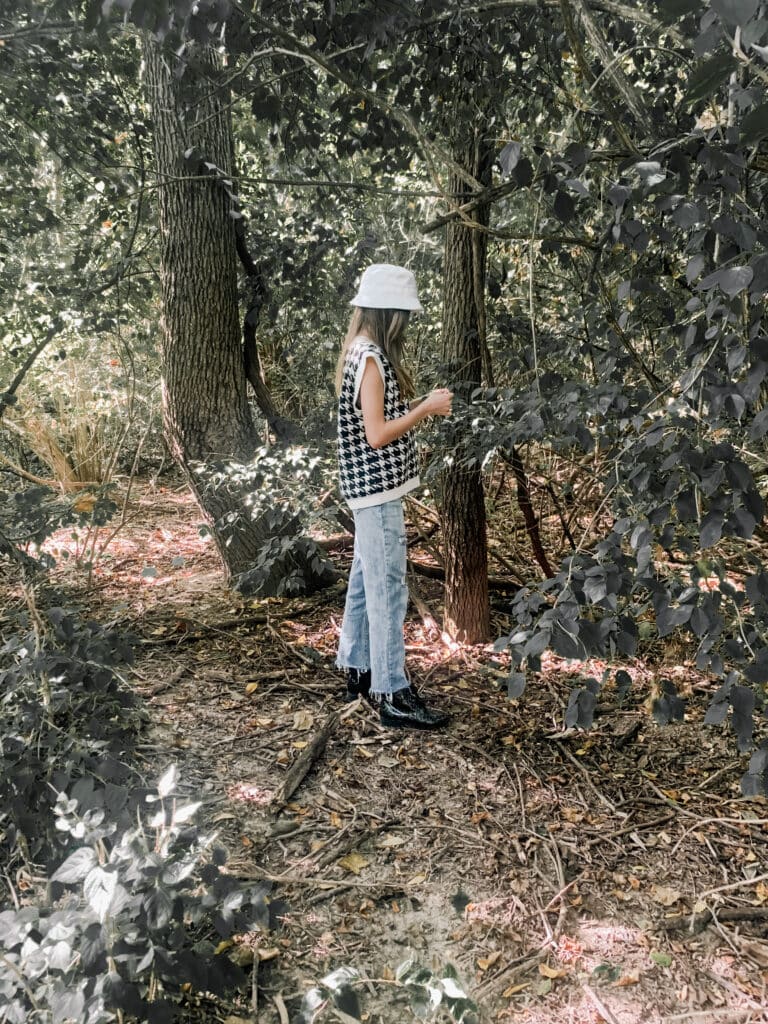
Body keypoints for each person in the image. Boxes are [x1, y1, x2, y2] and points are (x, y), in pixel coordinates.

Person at [335, 263, 453, 730]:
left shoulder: (356, 351)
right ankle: (391, 691)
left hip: (370, 491)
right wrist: (425, 407)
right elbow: (378, 433)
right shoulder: (370, 358)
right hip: (377, 493)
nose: (406, 325)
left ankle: (357, 665)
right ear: (390, 314)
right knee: (388, 589)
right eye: (403, 315)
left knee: (366, 579)